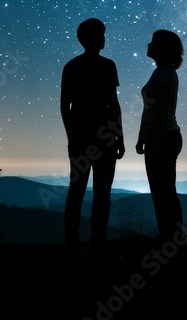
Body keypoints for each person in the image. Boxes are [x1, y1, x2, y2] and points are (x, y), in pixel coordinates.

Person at [60, 18, 124, 249]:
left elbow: (64, 107)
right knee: (101, 193)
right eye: (101, 35)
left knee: (77, 188)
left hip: (80, 135)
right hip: (104, 135)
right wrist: (120, 137)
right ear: (93, 38)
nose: (104, 39)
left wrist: (71, 136)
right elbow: (113, 105)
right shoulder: (107, 66)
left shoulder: (71, 66)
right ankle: (98, 239)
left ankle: (72, 238)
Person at [136, 29, 183, 241]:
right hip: (161, 137)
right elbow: (150, 108)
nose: (148, 44)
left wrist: (154, 139)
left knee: (163, 192)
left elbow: (163, 110)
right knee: (163, 191)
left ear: (162, 48)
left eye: (153, 42)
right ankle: (170, 238)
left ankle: (170, 239)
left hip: (163, 138)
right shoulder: (160, 72)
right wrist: (142, 134)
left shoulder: (164, 73)